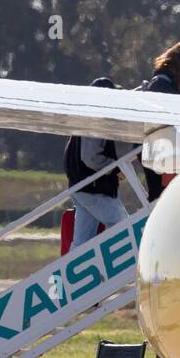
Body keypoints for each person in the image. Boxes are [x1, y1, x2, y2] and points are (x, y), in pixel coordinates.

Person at [65, 78, 135, 246]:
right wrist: (114, 167)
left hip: (81, 187)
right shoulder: (96, 120)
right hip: (94, 189)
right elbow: (90, 157)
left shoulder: (83, 117)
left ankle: (74, 272)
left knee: (82, 242)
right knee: (124, 227)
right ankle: (130, 270)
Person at [142, 41, 180, 199]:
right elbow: (175, 113)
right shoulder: (161, 83)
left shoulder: (167, 82)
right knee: (160, 195)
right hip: (158, 147)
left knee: (166, 194)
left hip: (163, 146)